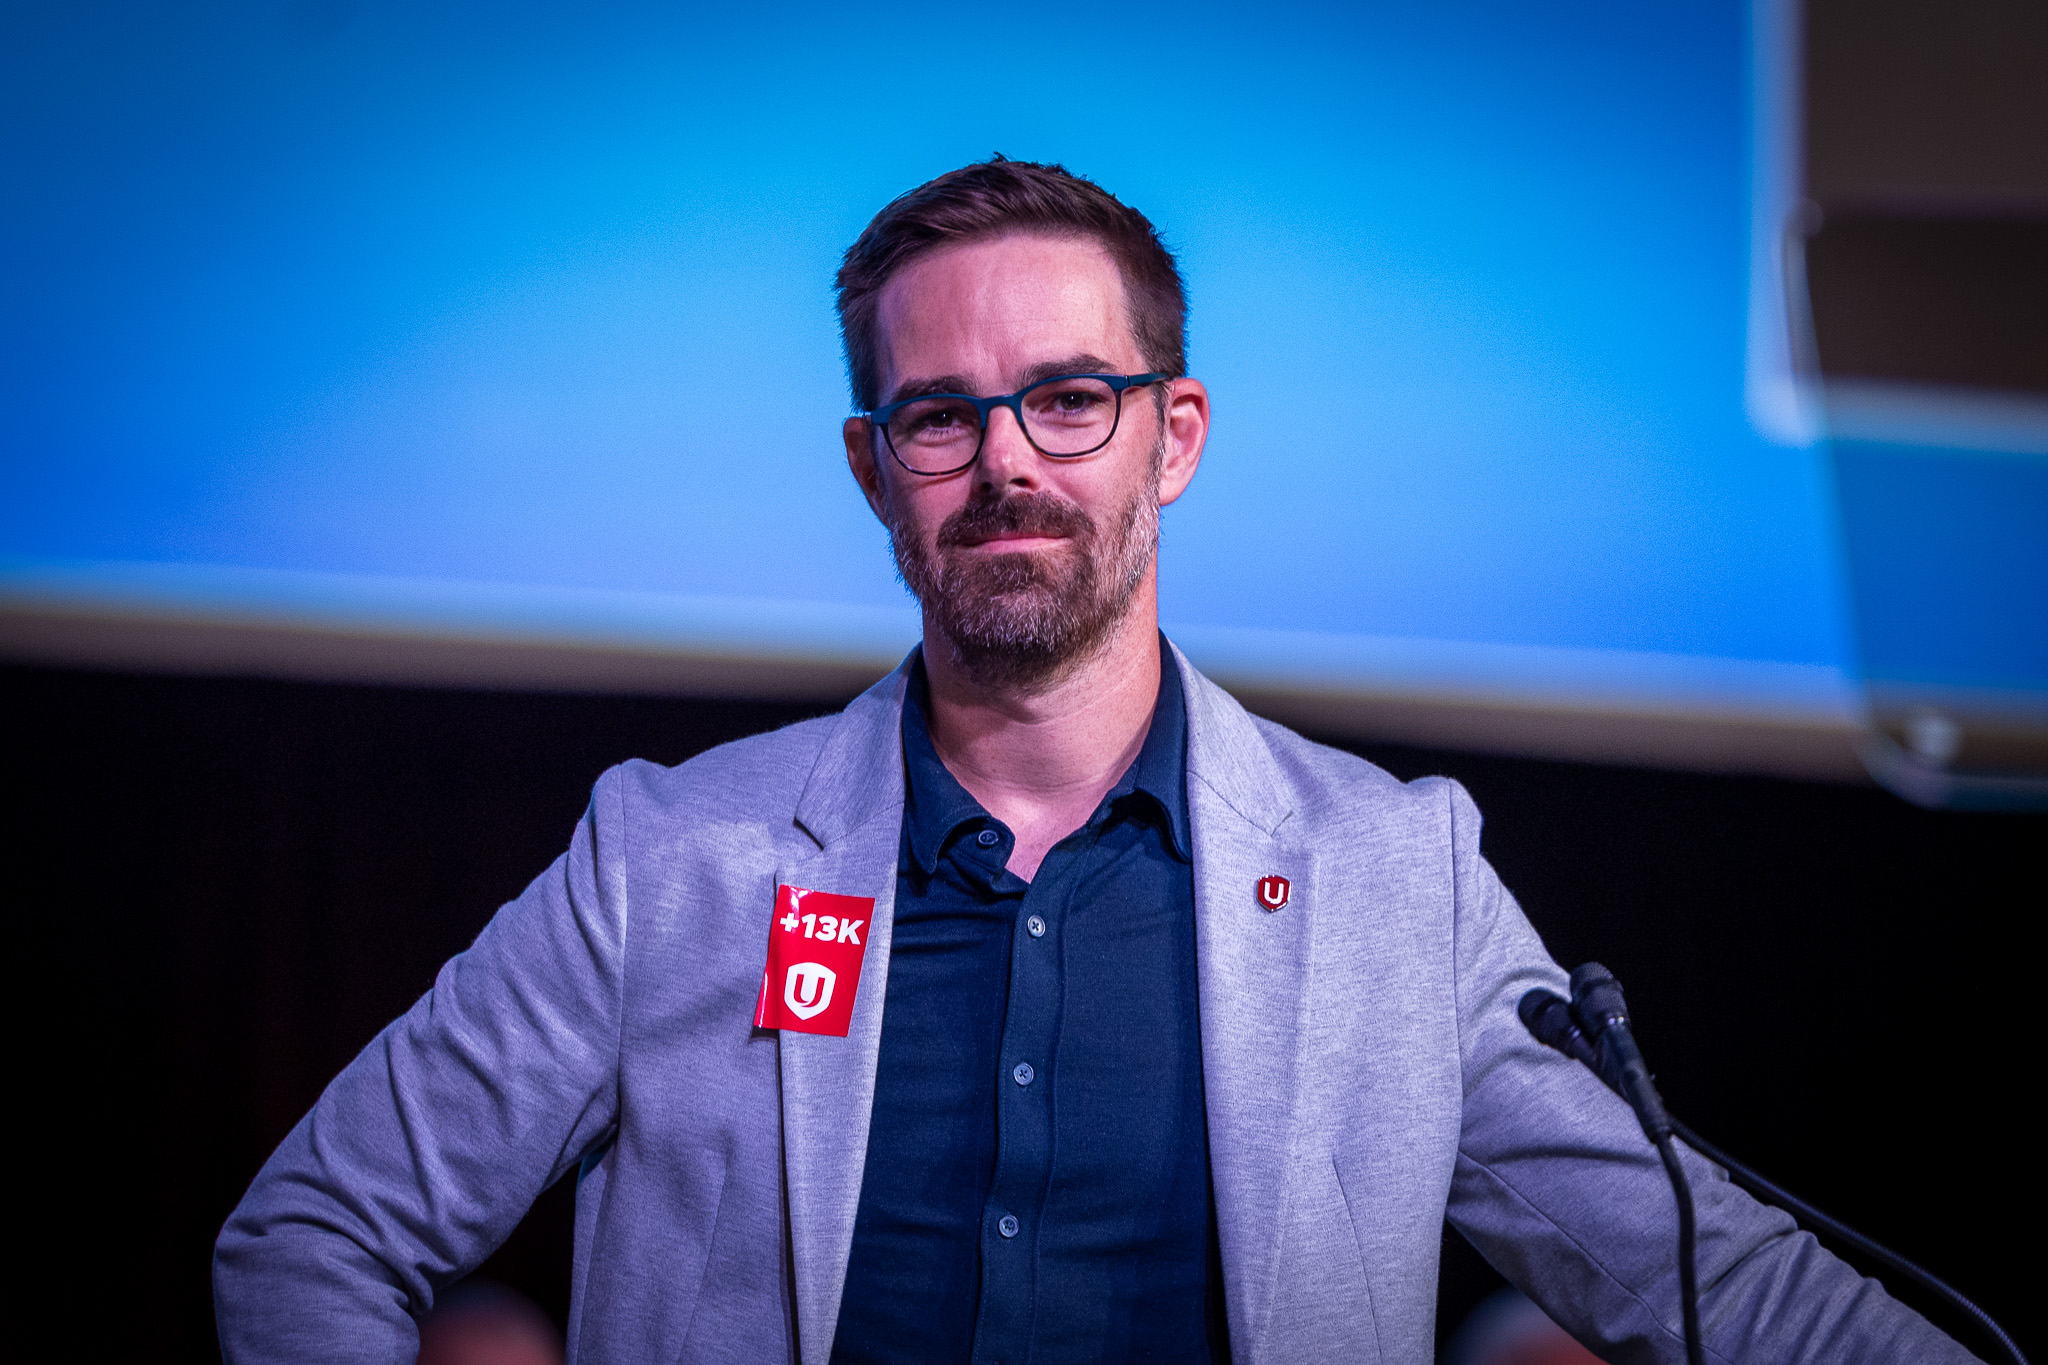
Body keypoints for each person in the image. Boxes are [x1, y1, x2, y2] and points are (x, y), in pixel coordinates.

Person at [214, 159, 1975, 1364]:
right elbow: (311, 1235)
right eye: (938, 414)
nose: (1005, 463)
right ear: (871, 464)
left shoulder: (1390, 880)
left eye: (1070, 397)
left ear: (1173, 436)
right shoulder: (672, 859)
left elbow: (1710, 1280)